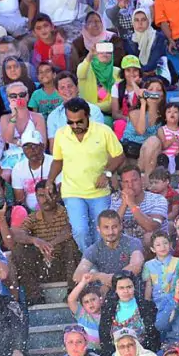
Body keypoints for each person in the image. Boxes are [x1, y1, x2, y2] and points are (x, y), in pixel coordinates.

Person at [47, 97, 124, 251]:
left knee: (101, 233)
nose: (75, 125)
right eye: (70, 122)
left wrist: (107, 173)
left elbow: (119, 156)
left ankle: (101, 263)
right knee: (80, 231)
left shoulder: (104, 131)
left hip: (99, 192)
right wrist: (50, 180)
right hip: (72, 191)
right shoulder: (61, 134)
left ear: (88, 116)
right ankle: (89, 262)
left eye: (79, 121)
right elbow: (57, 161)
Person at [11, 180, 79, 305]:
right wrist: (34, 240)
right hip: (42, 267)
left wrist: (49, 245)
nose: (46, 199)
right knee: (20, 249)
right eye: (41, 195)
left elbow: (72, 229)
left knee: (71, 244)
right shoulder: (32, 217)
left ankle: (73, 292)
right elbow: (17, 235)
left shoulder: (67, 212)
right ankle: (34, 296)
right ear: (36, 197)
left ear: (57, 195)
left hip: (65, 266)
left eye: (50, 194)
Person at [72, 210, 144, 291]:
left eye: (114, 227)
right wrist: (99, 276)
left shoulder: (133, 242)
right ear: (98, 229)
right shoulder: (94, 249)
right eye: (106, 227)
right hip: (107, 293)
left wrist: (113, 278)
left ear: (121, 226)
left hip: (131, 291)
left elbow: (136, 266)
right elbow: (77, 276)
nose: (111, 232)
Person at [97, 272, 160, 356]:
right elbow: (104, 339)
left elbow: (153, 337)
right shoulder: (108, 310)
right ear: (115, 290)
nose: (126, 291)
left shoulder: (147, 307)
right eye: (121, 288)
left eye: (129, 287)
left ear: (134, 287)